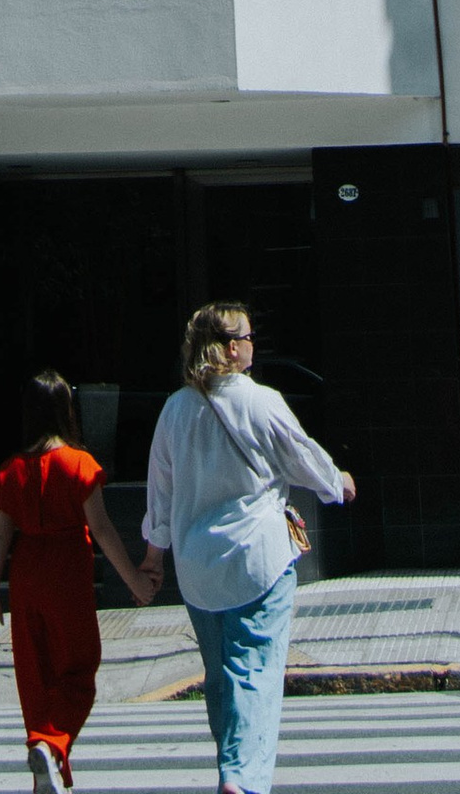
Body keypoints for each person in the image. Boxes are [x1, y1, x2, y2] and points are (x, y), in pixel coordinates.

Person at [139, 302, 352, 794]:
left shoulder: (175, 409)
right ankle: (242, 778)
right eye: (250, 337)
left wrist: (154, 557)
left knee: (221, 677)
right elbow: (303, 456)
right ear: (232, 348)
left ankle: (231, 766)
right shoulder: (263, 401)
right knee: (254, 669)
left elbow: (160, 491)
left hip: (197, 568)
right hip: (258, 558)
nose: (254, 344)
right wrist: (337, 484)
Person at [0, 368, 155, 794]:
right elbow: (103, 530)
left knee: (35, 674)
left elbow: (0, 536)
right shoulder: (80, 464)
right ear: (67, 411)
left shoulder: (10, 472)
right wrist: (134, 580)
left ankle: (51, 764)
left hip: (25, 577)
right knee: (78, 668)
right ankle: (51, 745)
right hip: (66, 576)